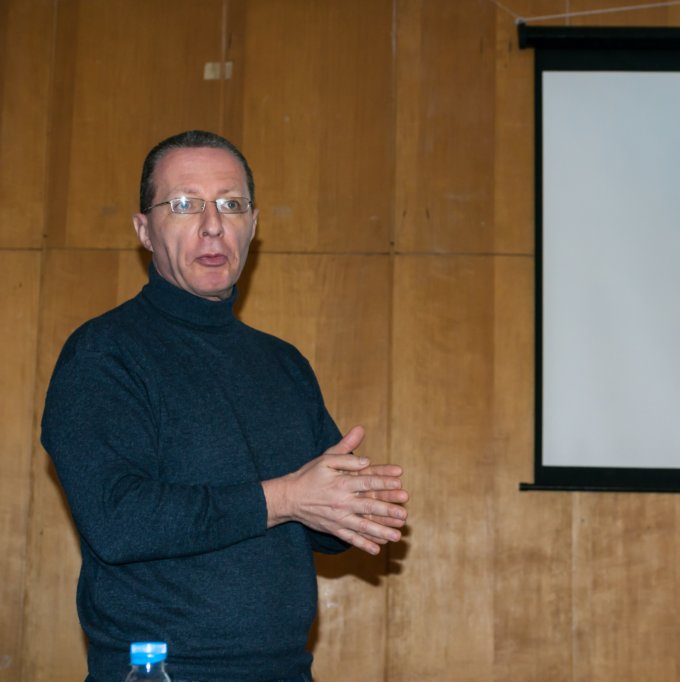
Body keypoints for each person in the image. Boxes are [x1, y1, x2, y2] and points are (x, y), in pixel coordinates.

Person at [40, 130, 409, 682]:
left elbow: (319, 526)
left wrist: (351, 506)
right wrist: (286, 498)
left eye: (231, 205)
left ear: (252, 226)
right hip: (161, 671)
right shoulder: (104, 352)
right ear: (144, 230)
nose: (212, 225)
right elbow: (117, 520)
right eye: (184, 205)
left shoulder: (282, 363)